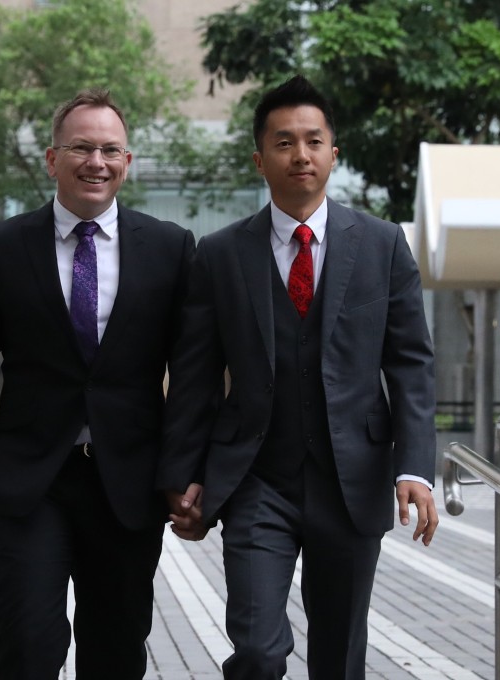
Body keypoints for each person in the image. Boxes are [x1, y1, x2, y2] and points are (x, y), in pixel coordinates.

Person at [159, 75, 438, 680]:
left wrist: (414, 467)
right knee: (258, 651)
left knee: (338, 660)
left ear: (334, 154)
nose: (301, 155)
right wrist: (183, 477)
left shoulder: (384, 245)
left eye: (314, 141)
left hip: (352, 480)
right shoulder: (221, 254)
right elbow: (195, 377)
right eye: (284, 143)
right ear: (260, 159)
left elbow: (410, 363)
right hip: (258, 480)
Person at [0, 89, 194, 680]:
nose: (95, 161)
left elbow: (193, 377)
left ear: (127, 162)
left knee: (116, 653)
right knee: (26, 648)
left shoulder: (170, 249)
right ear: (53, 159)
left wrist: (184, 473)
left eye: (109, 149)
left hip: (127, 485)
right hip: (31, 483)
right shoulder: (1, 248)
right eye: (81, 147)